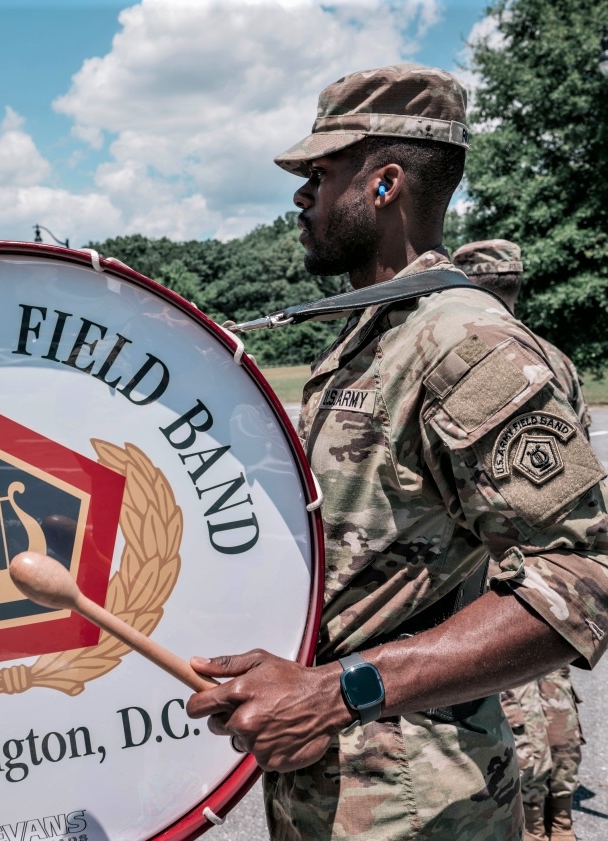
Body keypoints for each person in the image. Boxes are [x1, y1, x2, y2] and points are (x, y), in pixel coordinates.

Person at [186, 64, 608, 841]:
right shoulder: (379, 333)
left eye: (320, 172)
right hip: (340, 787)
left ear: (383, 186)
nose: (300, 195)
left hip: (421, 803)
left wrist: (337, 691)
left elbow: (579, 579)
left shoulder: (463, 341)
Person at [453, 240, 588, 841]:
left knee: (510, 700)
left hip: (492, 569)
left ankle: (531, 823)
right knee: (553, 686)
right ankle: (560, 820)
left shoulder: (479, 355)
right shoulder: (554, 359)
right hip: (554, 561)